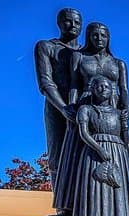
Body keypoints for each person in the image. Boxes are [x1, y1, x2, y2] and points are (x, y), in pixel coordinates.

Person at [52, 22, 129, 216]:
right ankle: (73, 207)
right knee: (78, 157)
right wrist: (72, 108)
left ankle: (122, 208)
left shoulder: (118, 63)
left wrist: (127, 110)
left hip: (112, 108)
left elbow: (124, 89)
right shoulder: (79, 57)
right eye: (94, 35)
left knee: (119, 156)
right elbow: (74, 85)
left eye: (103, 35)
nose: (99, 39)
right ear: (89, 36)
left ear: (108, 38)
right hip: (86, 104)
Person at [34, 8, 82, 188]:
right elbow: (46, 83)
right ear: (59, 23)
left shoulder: (86, 52)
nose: (73, 26)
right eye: (68, 21)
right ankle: (62, 206)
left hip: (82, 110)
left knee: (85, 157)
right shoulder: (46, 46)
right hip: (56, 107)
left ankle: (85, 205)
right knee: (58, 155)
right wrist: (63, 108)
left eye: (77, 22)